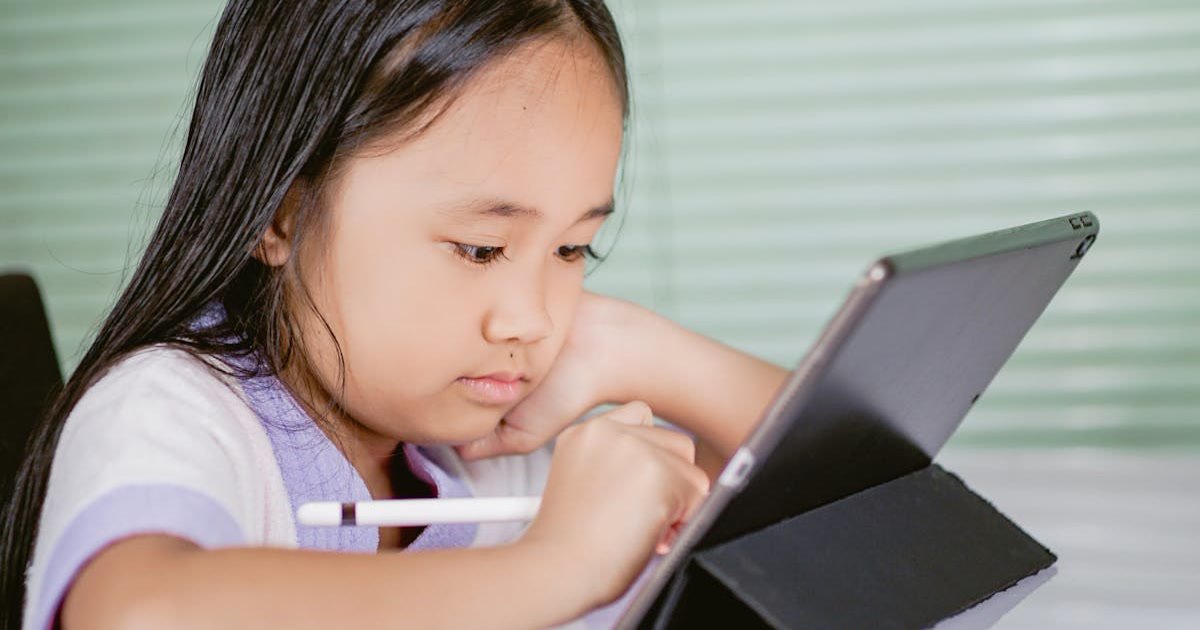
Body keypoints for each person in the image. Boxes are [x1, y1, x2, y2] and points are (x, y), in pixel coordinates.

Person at [0, 1, 788, 628]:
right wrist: (556, 566)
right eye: (481, 248)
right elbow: (139, 612)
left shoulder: (484, 441)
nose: (530, 319)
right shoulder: (173, 409)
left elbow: (843, 498)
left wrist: (638, 349)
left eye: (575, 249)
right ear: (280, 212)